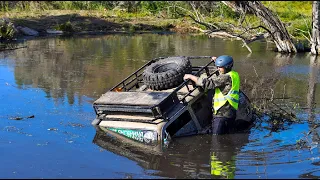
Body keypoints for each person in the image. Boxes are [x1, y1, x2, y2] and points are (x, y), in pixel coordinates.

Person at [183, 55, 240, 135]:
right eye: (217, 66)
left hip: (222, 113)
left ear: (227, 67)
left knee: (216, 140)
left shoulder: (226, 78)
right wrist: (216, 62)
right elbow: (220, 76)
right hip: (230, 111)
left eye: (220, 67)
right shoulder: (234, 74)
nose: (218, 69)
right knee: (228, 136)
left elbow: (206, 83)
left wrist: (191, 76)